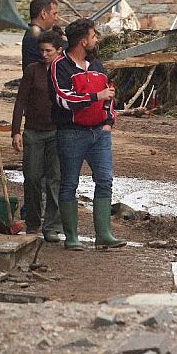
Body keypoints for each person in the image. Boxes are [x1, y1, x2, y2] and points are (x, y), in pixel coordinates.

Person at [49, 18, 125, 250]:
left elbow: (109, 93)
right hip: (71, 133)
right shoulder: (60, 65)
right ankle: (72, 237)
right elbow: (63, 99)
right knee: (69, 182)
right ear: (83, 41)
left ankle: (104, 234)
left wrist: (109, 120)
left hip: (99, 133)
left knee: (105, 180)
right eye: (93, 37)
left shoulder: (96, 64)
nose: (96, 40)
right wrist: (95, 97)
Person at [12, 30, 65, 242]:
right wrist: (16, 131)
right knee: (32, 177)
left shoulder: (65, 71)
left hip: (57, 132)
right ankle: (33, 222)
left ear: (59, 51)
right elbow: (20, 101)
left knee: (55, 179)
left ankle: (52, 226)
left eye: (48, 51)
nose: (44, 54)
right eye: (41, 50)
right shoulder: (33, 70)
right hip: (33, 131)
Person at [23, 0, 59, 72]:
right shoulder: (38, 36)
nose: (56, 18)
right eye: (54, 14)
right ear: (43, 14)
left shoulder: (33, 33)